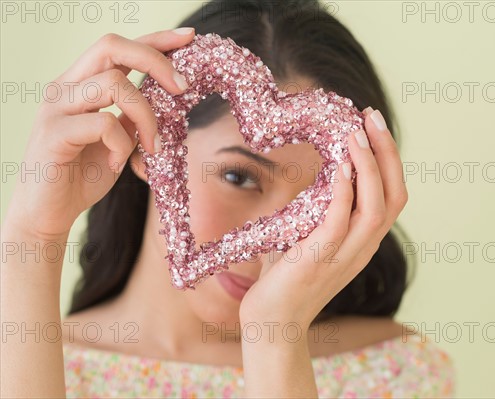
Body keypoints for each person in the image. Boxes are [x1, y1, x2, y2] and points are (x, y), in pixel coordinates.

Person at [0, 0, 455, 397]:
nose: (273, 240)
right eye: (239, 177)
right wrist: (34, 238)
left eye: (319, 205)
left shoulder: (396, 376)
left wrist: (274, 339)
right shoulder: (26, 366)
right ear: (150, 141)